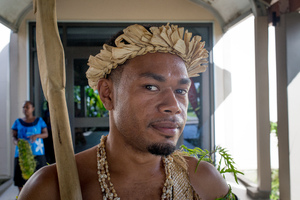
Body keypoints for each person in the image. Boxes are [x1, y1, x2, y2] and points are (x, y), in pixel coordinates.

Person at [18, 24, 234, 199]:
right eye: (151, 87)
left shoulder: (205, 182)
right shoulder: (50, 187)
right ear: (107, 94)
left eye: (180, 90)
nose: (174, 105)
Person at [11, 101, 48, 193]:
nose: (25, 109)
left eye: (27, 107)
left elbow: (45, 134)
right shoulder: (17, 122)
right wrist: (16, 142)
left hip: (37, 153)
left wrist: (37, 136)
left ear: (33, 109)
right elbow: (14, 137)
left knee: (39, 177)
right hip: (22, 154)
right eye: (24, 107)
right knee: (20, 179)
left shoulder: (39, 121)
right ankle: (23, 196)